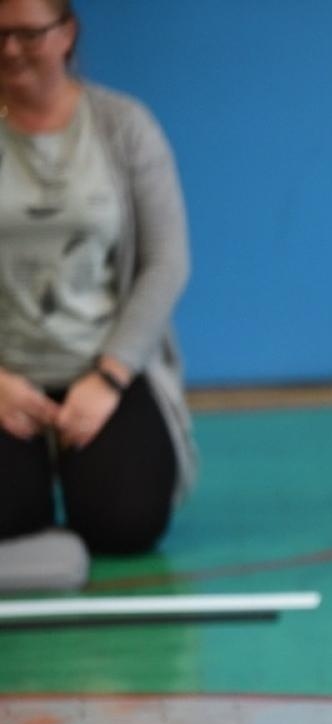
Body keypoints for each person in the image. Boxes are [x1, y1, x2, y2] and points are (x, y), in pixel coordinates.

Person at [0, 0, 196, 554]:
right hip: (6, 374)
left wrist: (109, 378)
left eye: (27, 34)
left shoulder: (124, 125)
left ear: (67, 34)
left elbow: (167, 260)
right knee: (10, 518)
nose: (10, 50)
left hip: (104, 368)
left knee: (126, 524)